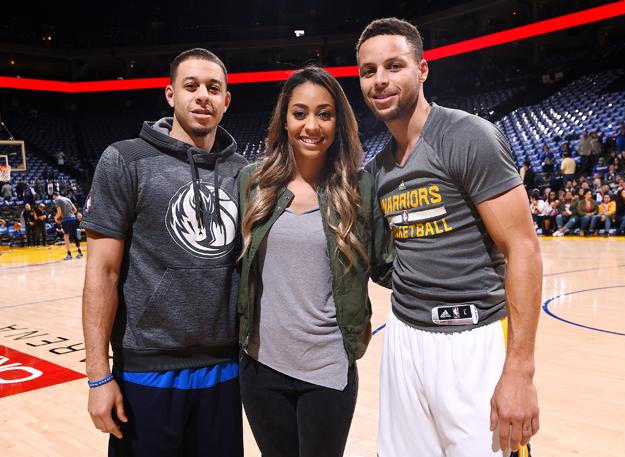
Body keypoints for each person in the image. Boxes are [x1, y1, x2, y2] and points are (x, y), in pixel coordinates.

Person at [357, 18, 541, 457]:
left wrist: (519, 370)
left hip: (472, 337)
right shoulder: (379, 168)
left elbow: (524, 249)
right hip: (405, 336)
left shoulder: (467, 136)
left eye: (394, 65)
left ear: (422, 70)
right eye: (368, 71)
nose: (380, 80)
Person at [81, 48, 246, 457]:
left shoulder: (243, 171)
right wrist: (99, 378)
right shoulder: (125, 160)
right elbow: (102, 273)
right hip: (147, 369)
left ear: (226, 100)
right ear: (170, 95)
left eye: (213, 88)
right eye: (191, 86)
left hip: (224, 369)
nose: (202, 96)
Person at [237, 66, 393, 457]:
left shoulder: (359, 188)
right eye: (300, 113)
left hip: (327, 368)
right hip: (260, 367)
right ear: (285, 120)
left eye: (324, 114)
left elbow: (388, 266)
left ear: (338, 122)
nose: (312, 125)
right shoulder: (252, 183)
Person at [52, 190, 83, 259]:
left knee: (66, 236)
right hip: (73, 218)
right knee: (75, 236)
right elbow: (75, 210)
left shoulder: (57, 200)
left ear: (54, 195)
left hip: (66, 220)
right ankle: (80, 252)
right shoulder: (67, 199)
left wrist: (55, 218)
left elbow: (59, 212)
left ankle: (69, 254)